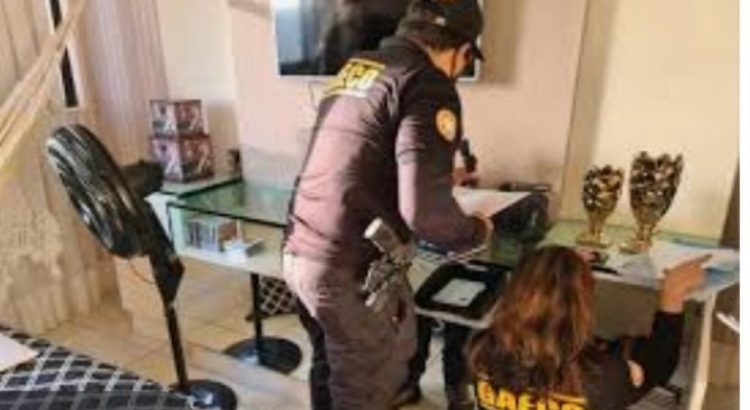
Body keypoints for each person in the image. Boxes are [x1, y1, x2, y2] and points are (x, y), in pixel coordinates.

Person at [282, 1, 490, 409]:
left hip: (300, 252)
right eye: (466, 61)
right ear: (462, 50)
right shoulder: (428, 83)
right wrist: (476, 231)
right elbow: (426, 217)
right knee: (368, 386)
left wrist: (440, 178)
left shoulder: (358, 66)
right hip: (348, 273)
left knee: (329, 369)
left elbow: (357, 159)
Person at [469, 246, 710, 410]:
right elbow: (661, 363)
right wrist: (672, 297)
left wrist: (557, 268)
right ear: (582, 306)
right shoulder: (605, 376)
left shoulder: (481, 348)